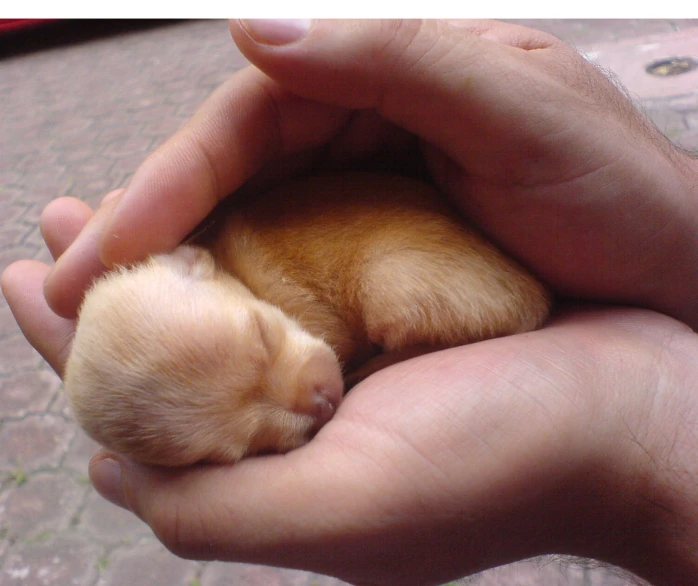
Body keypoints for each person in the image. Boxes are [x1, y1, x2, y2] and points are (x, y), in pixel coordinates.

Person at [3, 19, 698, 586]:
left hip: (457, 280)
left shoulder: (244, 247)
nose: (300, 408)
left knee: (398, 287)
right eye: (238, 443)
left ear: (194, 262)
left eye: (264, 346)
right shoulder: (207, 286)